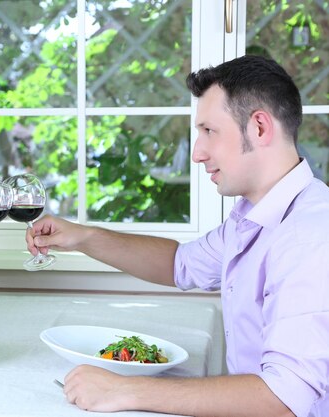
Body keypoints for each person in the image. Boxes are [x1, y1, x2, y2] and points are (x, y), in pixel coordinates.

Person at [26, 55, 329, 417]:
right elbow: (180, 264)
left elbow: (283, 400)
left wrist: (125, 390)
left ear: (260, 128)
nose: (198, 153)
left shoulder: (308, 236)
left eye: (209, 131)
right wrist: (83, 237)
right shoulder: (255, 215)